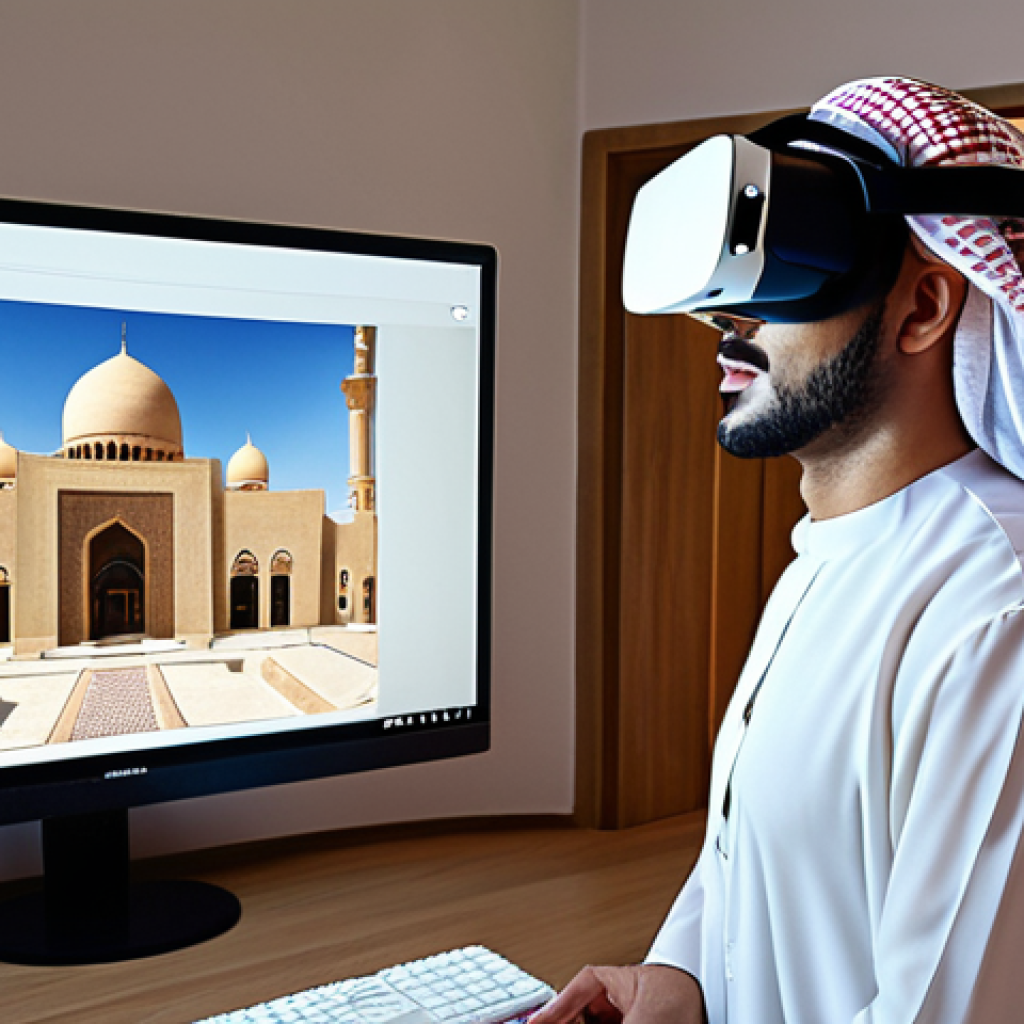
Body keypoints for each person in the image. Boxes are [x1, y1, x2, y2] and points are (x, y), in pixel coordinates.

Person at [532, 78, 1024, 1023]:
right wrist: (680, 976)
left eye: (792, 266)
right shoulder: (831, 556)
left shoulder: (992, 616)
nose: (728, 319)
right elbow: (750, 854)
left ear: (923, 308)